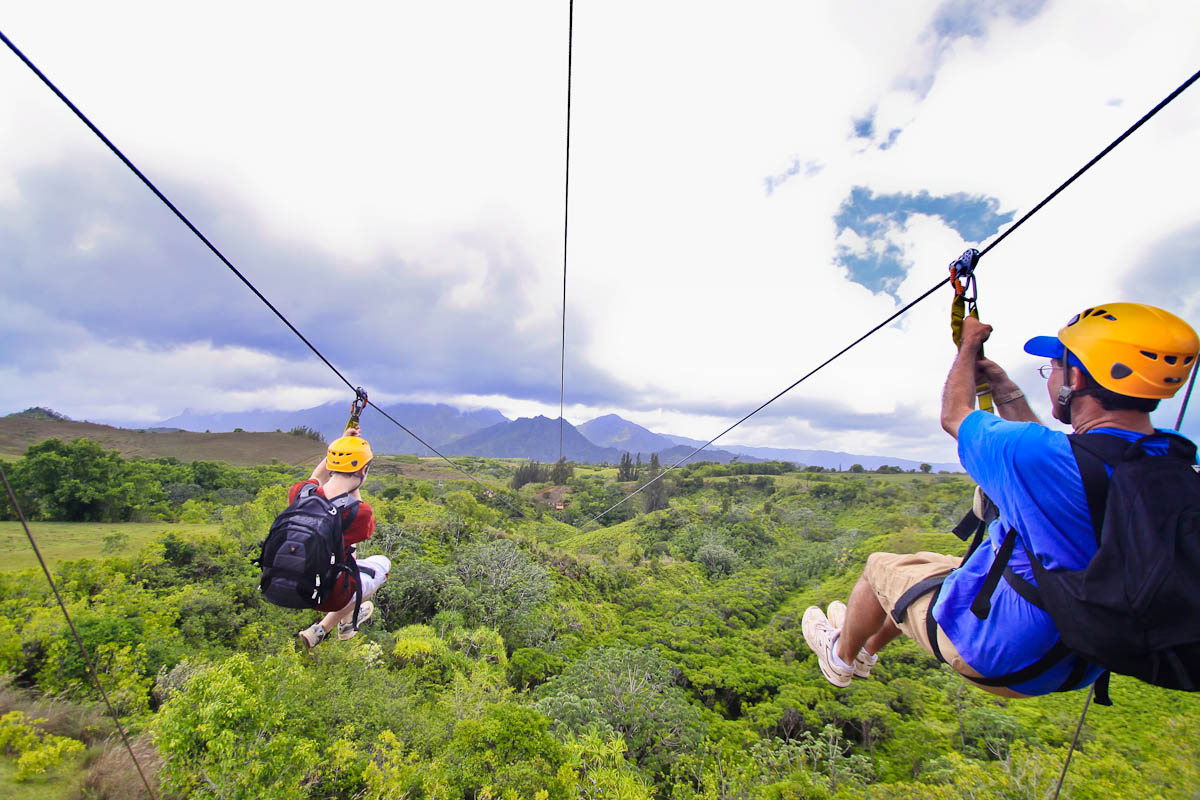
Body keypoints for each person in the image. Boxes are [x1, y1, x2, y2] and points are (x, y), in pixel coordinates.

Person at [802, 302, 1198, 696]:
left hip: (1005, 653)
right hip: (1080, 656)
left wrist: (967, 346)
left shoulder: (1036, 454)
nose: (1050, 376)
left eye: (1054, 367)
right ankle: (869, 647)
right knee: (927, 564)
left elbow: (955, 416)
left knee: (879, 568)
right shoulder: (1170, 461)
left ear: (1074, 378)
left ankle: (841, 657)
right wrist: (1006, 391)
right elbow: (1069, 460)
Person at [293, 427, 391, 650]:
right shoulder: (359, 513)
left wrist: (342, 446)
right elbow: (359, 513)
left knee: (349, 548)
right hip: (329, 595)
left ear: (331, 465)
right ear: (363, 470)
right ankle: (333, 624)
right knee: (382, 565)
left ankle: (342, 621)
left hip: (294, 583)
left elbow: (316, 477)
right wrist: (355, 480)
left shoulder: (301, 493)